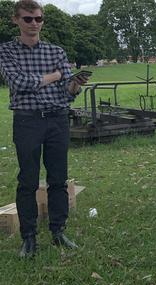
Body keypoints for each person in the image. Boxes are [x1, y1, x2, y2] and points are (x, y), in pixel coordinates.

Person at [0, 0, 89, 257]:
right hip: (27, 120)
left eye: (38, 19)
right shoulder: (7, 51)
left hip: (57, 119)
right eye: (28, 19)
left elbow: (67, 93)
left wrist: (73, 84)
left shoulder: (56, 51)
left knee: (58, 178)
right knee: (27, 179)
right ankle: (29, 238)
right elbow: (18, 82)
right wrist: (55, 76)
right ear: (16, 20)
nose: (34, 24)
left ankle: (58, 231)